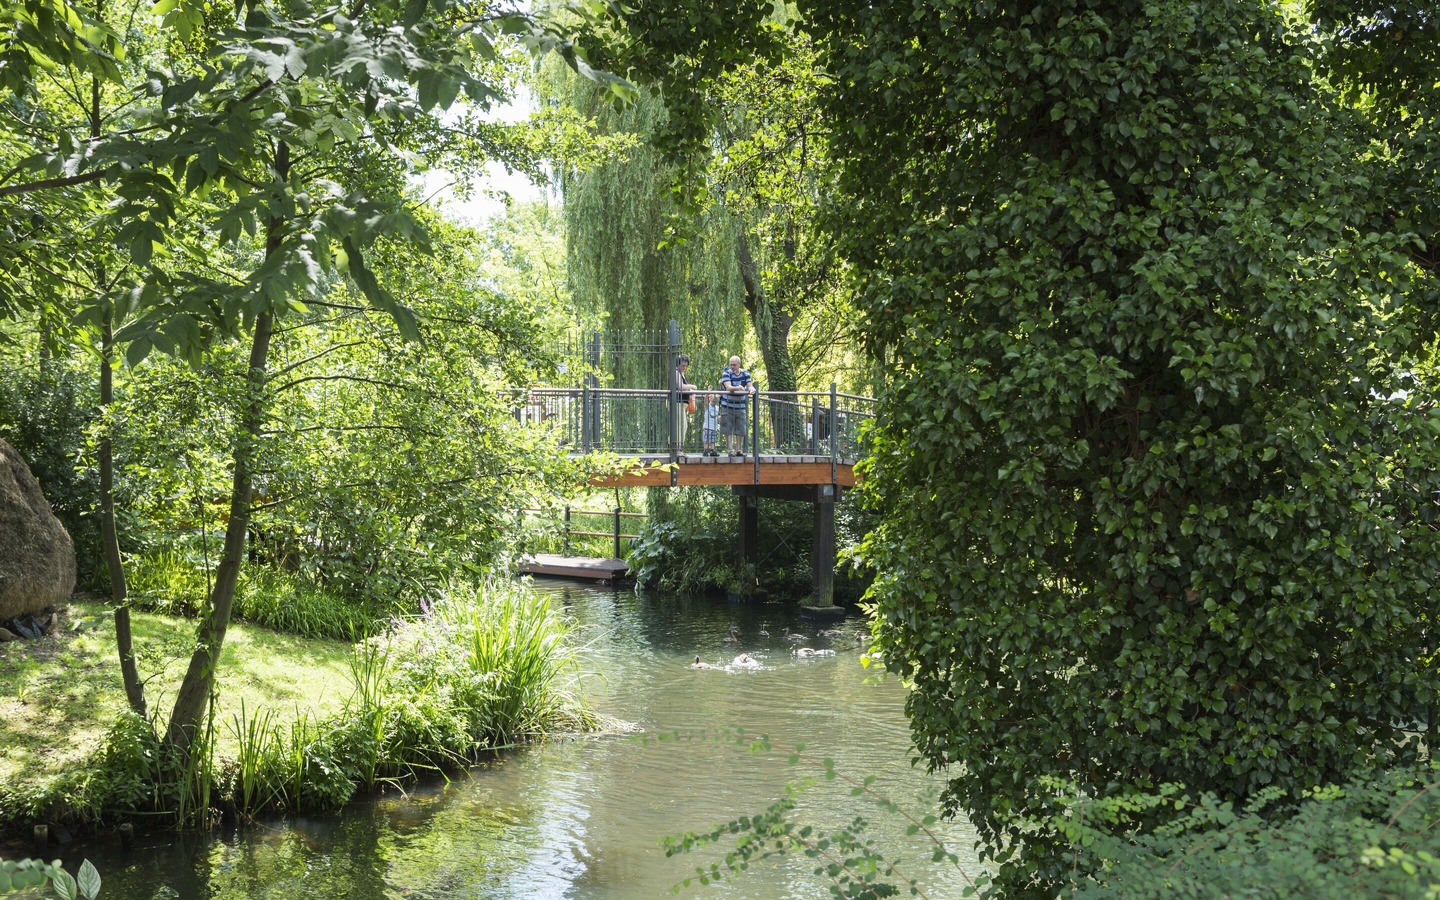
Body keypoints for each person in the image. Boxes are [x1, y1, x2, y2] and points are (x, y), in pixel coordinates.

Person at [719, 355, 756, 458]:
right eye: (731, 364)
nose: (732, 367)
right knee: (727, 427)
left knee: (741, 427)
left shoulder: (745, 373)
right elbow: (728, 387)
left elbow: (749, 385)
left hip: (740, 406)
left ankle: (738, 450)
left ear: (739, 364)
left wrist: (751, 389)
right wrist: (738, 387)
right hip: (727, 405)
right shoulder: (726, 373)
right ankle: (730, 450)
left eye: (734, 365)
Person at [671, 354, 697, 454]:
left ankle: (678, 448)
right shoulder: (676, 372)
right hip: (677, 403)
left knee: (683, 425)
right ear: (678, 364)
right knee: (680, 425)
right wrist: (692, 387)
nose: (684, 367)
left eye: (686, 365)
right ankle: (677, 449)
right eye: (682, 365)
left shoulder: (681, 374)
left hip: (681, 404)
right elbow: (680, 386)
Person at [701, 393, 720, 457]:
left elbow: (717, 416)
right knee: (706, 440)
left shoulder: (717, 407)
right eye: (712, 398)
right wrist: (707, 393)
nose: (714, 400)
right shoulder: (708, 406)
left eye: (715, 399)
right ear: (709, 399)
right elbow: (705, 401)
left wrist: (719, 418)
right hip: (707, 426)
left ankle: (713, 450)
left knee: (713, 440)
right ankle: (705, 450)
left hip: (714, 427)